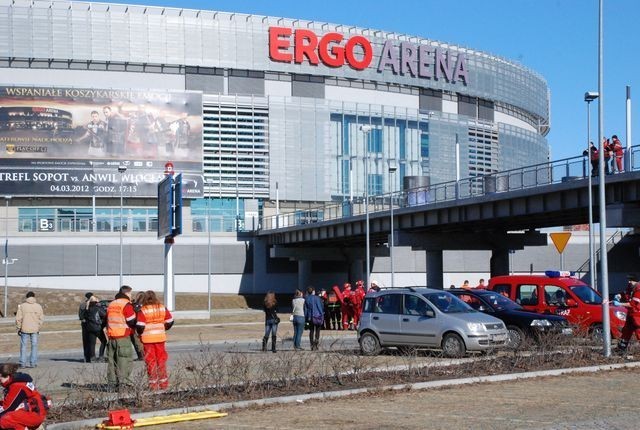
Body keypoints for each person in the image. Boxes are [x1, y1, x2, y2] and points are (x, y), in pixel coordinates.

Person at [136, 291, 174, 390]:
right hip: (160, 337)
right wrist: (163, 327)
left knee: (150, 361)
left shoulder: (143, 310)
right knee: (161, 360)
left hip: (147, 339)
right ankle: (163, 384)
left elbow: (140, 325)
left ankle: (153, 385)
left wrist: (139, 333)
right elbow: (170, 321)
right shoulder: (162, 307)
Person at [0, 363, 49, 430]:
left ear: (7, 376)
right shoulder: (17, 381)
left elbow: (8, 408)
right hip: (33, 411)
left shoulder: (17, 386)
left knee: (4, 420)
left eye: (0, 378)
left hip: (34, 414)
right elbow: (10, 402)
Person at [106, 285, 137, 389]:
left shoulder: (111, 304)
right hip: (123, 336)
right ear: (126, 293)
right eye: (130, 293)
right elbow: (131, 320)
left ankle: (112, 384)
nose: (131, 296)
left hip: (111, 337)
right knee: (124, 360)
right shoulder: (126, 304)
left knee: (112, 361)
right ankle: (124, 384)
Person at [15, 292, 44, 369]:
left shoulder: (22, 306)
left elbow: (18, 318)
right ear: (34, 297)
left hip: (24, 329)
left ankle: (22, 363)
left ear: (27, 297)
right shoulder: (38, 306)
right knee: (34, 346)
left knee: (23, 346)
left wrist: (19, 327)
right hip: (35, 329)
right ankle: (33, 363)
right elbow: (41, 319)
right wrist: (38, 327)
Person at [618, 275, 640, 354]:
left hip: (637, 315)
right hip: (631, 314)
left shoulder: (638, 290)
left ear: (636, 281)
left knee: (639, 332)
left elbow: (632, 304)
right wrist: (619, 295)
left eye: (631, 280)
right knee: (626, 331)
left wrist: (620, 304)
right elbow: (625, 293)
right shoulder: (632, 287)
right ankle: (621, 349)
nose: (629, 282)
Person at [85, 296, 107, 363]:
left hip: (89, 328)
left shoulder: (87, 309)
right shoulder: (98, 308)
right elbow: (105, 315)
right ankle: (101, 356)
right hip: (97, 327)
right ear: (96, 301)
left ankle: (92, 358)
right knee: (104, 341)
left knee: (92, 343)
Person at [304, 287, 324, 351]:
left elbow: (306, 309)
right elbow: (320, 307)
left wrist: (306, 317)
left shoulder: (306, 299)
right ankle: (316, 344)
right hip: (317, 316)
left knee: (311, 331)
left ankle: (312, 345)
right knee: (317, 331)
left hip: (310, 317)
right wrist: (322, 314)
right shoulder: (317, 298)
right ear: (313, 291)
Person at [78, 292, 94, 363]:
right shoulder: (93, 304)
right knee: (91, 341)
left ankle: (86, 357)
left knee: (85, 341)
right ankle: (91, 357)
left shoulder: (82, 304)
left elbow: (80, 316)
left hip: (84, 324)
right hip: (91, 324)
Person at [130, 292, 145, 361]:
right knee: (139, 341)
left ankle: (141, 355)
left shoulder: (136, 306)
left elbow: (135, 311)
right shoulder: (146, 305)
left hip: (136, 324)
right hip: (142, 324)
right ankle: (143, 355)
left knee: (136, 341)